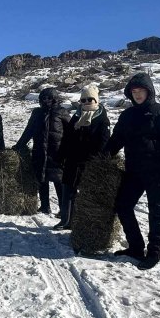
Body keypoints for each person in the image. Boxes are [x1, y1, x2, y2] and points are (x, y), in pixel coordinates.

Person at [105, 72, 160, 270]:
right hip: (134, 172)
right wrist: (103, 157)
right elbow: (116, 140)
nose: (138, 95)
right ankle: (136, 247)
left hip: (158, 174)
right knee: (123, 206)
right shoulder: (127, 115)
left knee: (157, 213)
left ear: (149, 91)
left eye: (141, 91)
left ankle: (154, 253)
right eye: (134, 91)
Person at [54, 86, 110, 230]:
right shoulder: (76, 117)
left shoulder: (102, 119)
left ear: (96, 100)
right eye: (83, 100)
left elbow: (103, 142)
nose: (86, 102)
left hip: (89, 163)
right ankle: (66, 221)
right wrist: (60, 156)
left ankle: (84, 226)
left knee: (86, 194)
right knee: (67, 192)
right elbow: (66, 138)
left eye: (89, 99)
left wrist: (97, 161)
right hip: (72, 161)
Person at [12, 88, 70, 214]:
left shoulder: (62, 112)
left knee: (58, 181)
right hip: (40, 151)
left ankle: (63, 209)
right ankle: (45, 206)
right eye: (43, 98)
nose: (46, 100)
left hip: (57, 153)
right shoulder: (37, 113)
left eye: (49, 98)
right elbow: (29, 131)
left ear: (55, 99)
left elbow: (70, 132)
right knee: (42, 179)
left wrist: (68, 151)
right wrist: (19, 145)